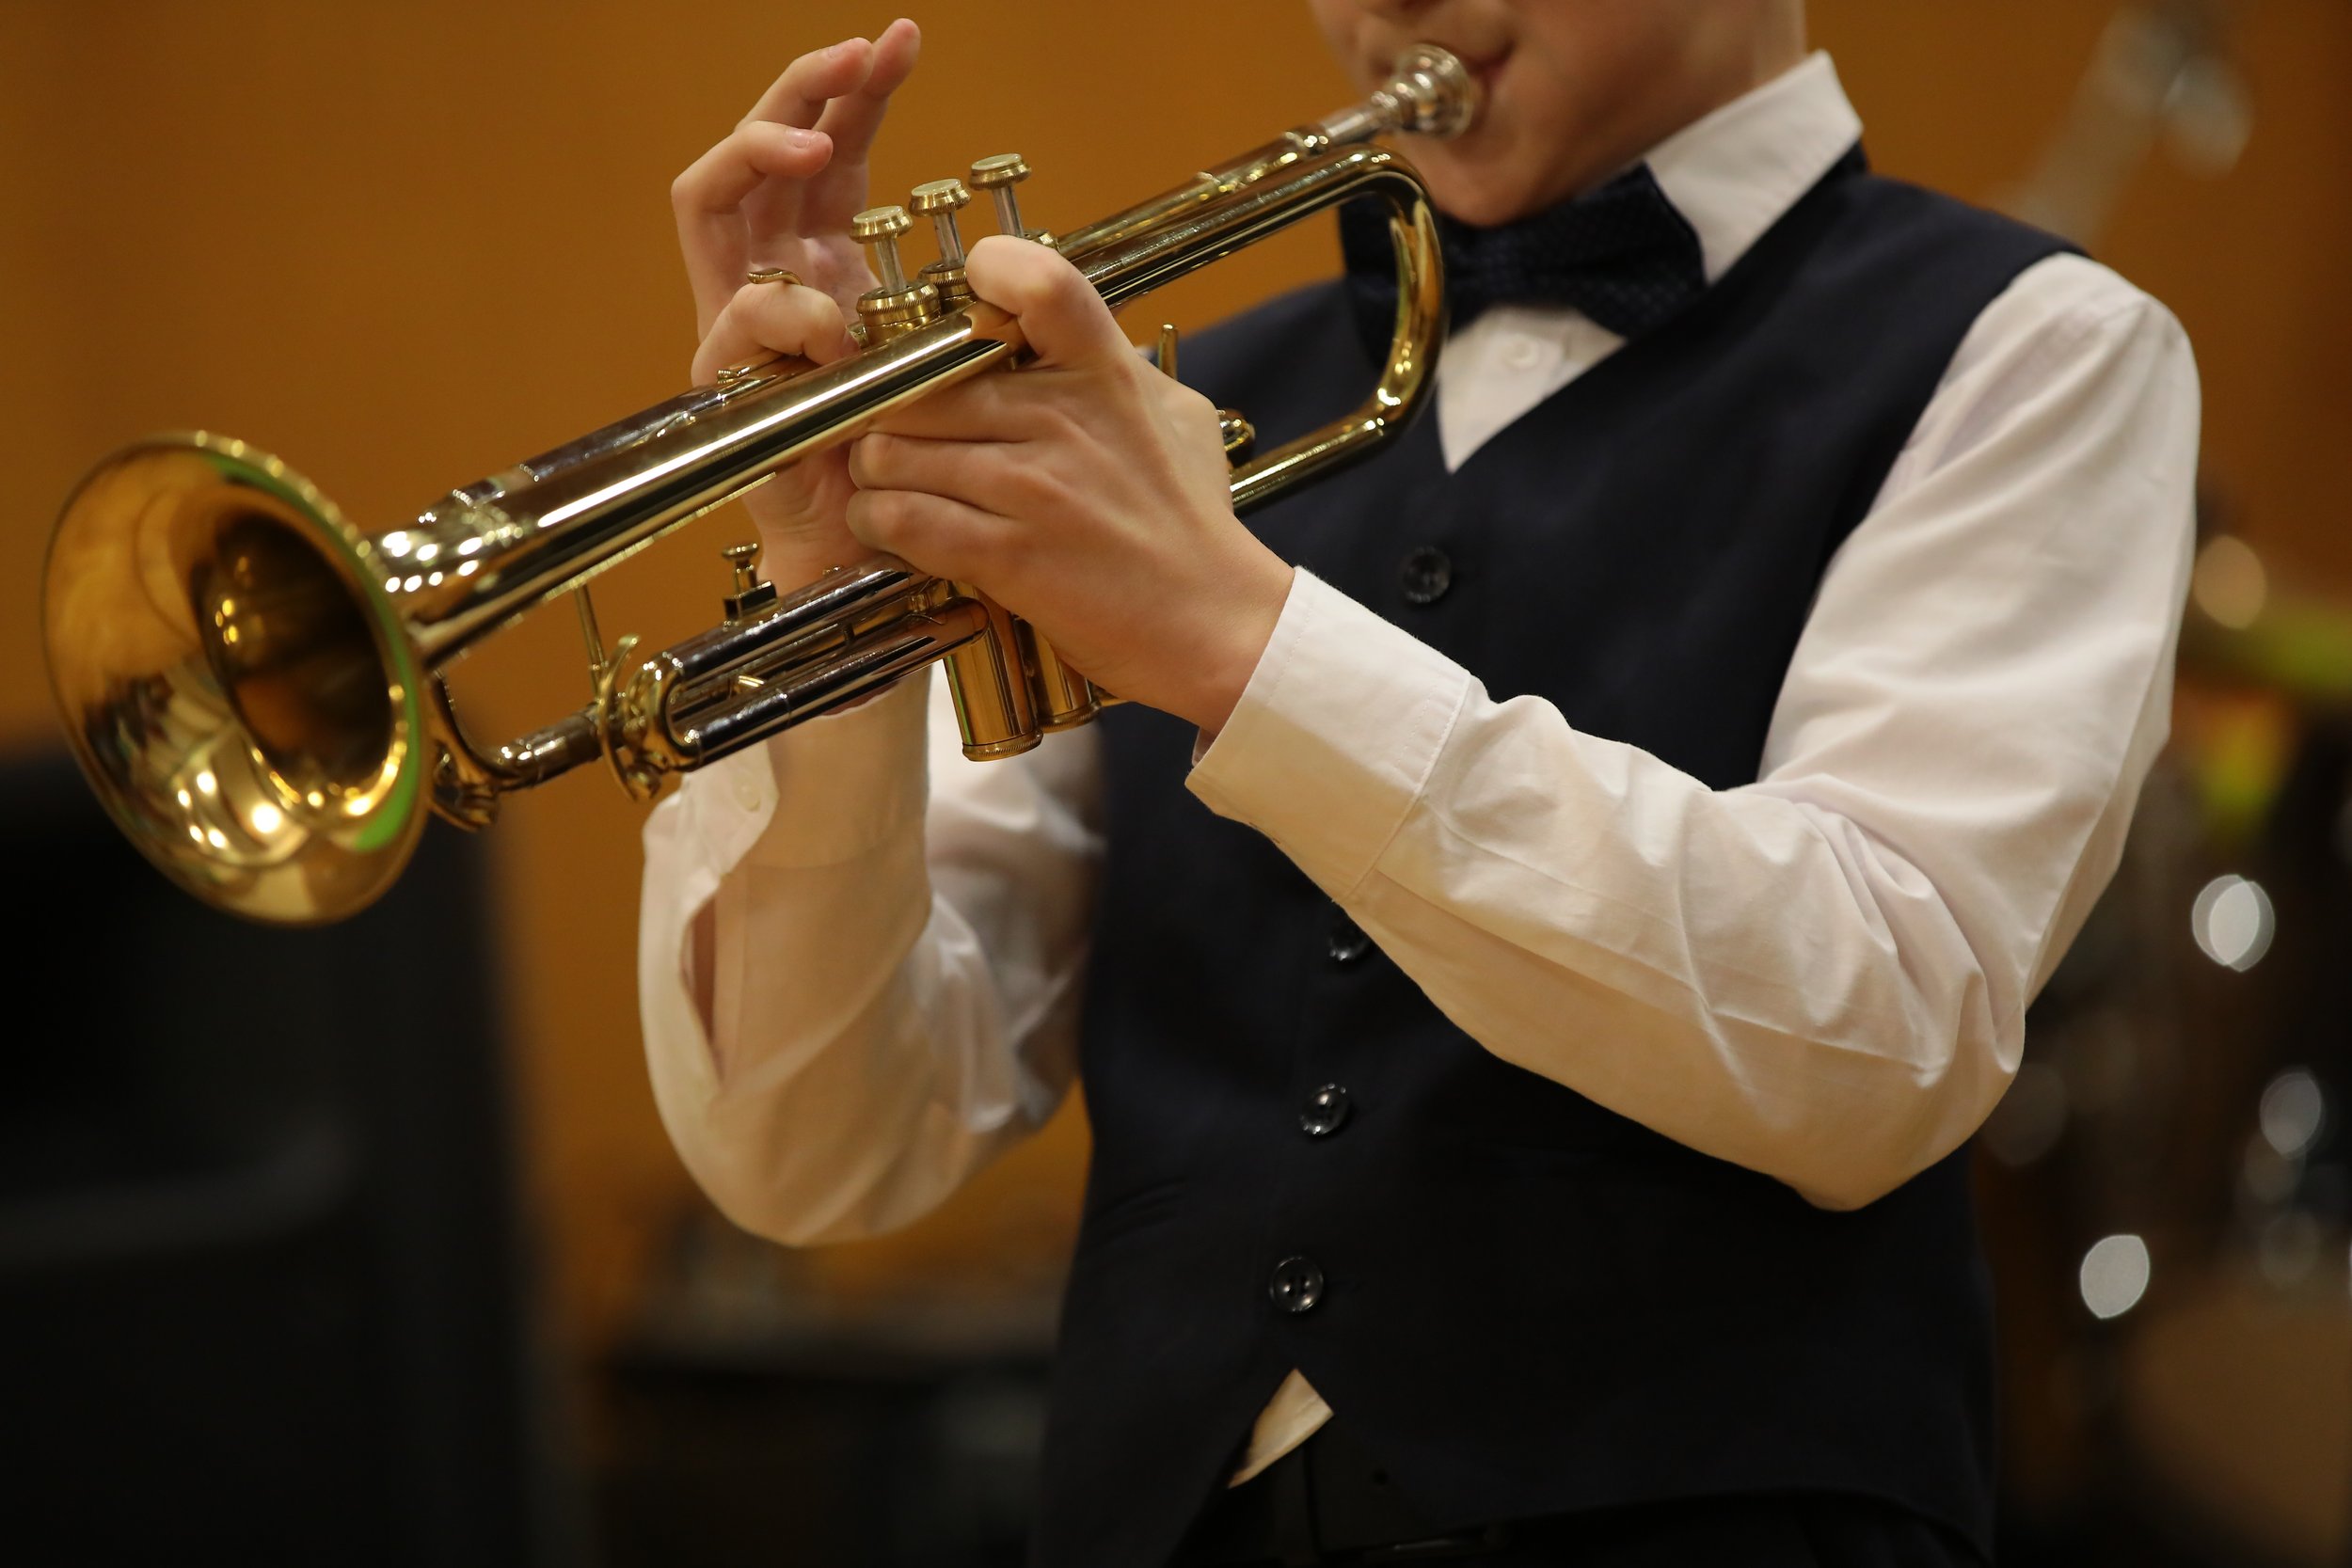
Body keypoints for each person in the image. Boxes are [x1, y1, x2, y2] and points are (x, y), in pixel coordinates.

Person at [639, 4, 2197, 1563]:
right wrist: (816, 590)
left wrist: (1241, 641)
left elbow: (1881, 1026)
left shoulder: (2034, 348)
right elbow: (821, 1149)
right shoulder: (1183, 405)